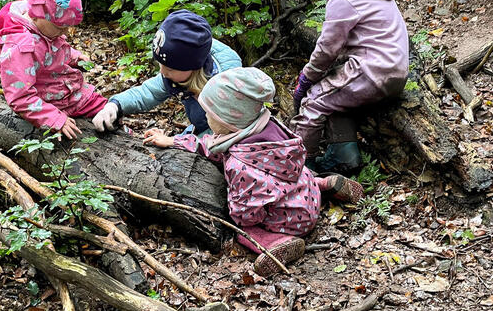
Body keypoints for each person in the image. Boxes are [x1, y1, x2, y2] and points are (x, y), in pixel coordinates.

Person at [143, 68, 364, 277]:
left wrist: (232, 211)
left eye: (210, 114)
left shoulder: (240, 165)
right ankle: (324, 184)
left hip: (293, 220)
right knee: (294, 174)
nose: (206, 119)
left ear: (228, 119)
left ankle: (274, 243)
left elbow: (247, 212)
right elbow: (209, 145)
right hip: (307, 193)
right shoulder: (266, 127)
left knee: (241, 227)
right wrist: (173, 141)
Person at [291, 0, 410, 174]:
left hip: (372, 70)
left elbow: (328, 47)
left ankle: (299, 168)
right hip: (394, 67)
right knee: (333, 96)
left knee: (313, 101)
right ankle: (344, 153)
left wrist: (306, 79)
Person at [0, 0, 107, 140]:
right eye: (61, 27)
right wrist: (53, 118)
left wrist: (73, 56)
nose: (65, 33)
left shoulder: (43, 25)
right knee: (103, 116)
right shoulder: (21, 46)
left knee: (110, 110)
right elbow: (20, 97)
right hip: (53, 101)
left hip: (67, 90)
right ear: (36, 14)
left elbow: (51, 48)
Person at [91, 9, 242, 135]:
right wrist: (115, 105)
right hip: (202, 130)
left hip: (232, 138)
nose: (162, 72)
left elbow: (226, 133)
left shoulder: (225, 88)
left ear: (193, 67)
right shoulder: (181, 71)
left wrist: (177, 141)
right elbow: (148, 93)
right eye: (160, 64)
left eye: (170, 68)